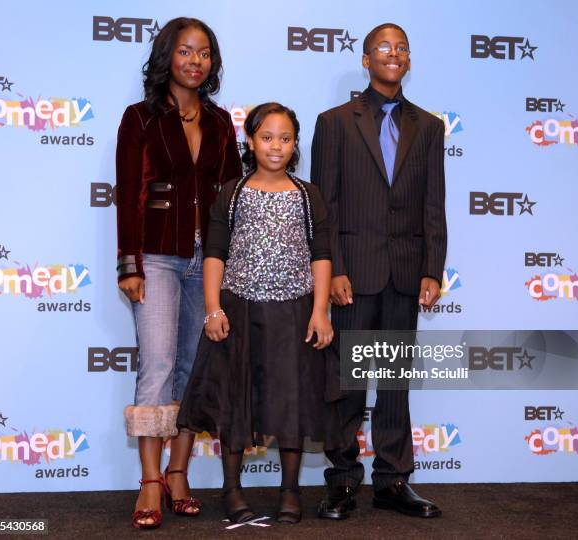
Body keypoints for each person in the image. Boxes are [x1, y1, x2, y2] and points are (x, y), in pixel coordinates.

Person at [177, 102, 342, 525]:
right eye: (267, 137)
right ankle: (232, 490)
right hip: (238, 310)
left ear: (294, 145)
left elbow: (321, 256)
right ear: (250, 140)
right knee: (235, 399)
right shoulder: (232, 192)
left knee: (293, 400)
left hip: (294, 312)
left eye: (285, 139)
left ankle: (290, 491)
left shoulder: (308, 195)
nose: (276, 146)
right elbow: (215, 253)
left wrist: (320, 311)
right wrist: (212, 309)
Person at [311, 23, 447, 519]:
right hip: (352, 272)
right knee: (346, 382)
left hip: (406, 272)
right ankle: (343, 481)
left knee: (393, 382)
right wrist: (335, 269)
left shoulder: (430, 127)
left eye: (402, 47)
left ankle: (392, 481)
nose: (394, 54)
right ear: (366, 59)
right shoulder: (335, 121)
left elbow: (434, 204)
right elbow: (324, 205)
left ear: (408, 61)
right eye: (384, 48)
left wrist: (433, 267)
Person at [116, 17, 242, 529]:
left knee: (194, 367)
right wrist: (131, 263)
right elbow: (128, 194)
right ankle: (149, 481)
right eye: (186, 51)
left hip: (208, 261)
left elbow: (233, 196)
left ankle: (178, 472)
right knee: (160, 363)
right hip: (158, 257)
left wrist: (232, 263)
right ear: (167, 56)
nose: (195, 60)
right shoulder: (139, 117)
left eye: (204, 52)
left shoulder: (219, 123)